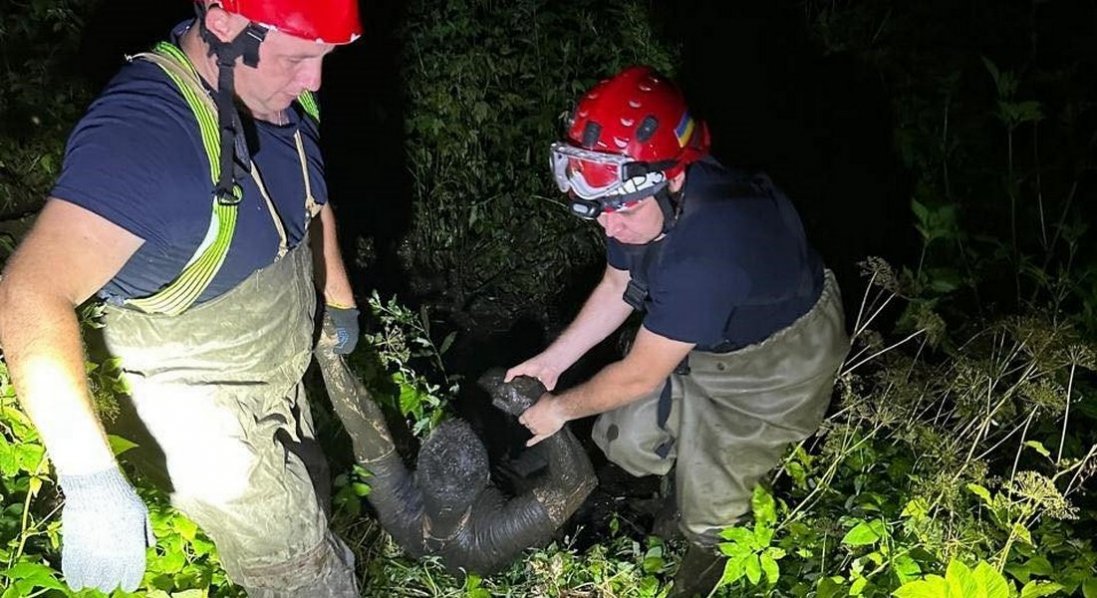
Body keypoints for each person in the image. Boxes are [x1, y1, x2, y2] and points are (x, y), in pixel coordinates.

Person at [0, 1, 365, 595]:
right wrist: (90, 478)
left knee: (313, 499)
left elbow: (310, 192)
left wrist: (339, 299)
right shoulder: (145, 138)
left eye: (325, 58)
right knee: (305, 578)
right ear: (224, 24)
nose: (314, 80)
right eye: (299, 58)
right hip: (204, 404)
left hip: (278, 369)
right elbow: (29, 291)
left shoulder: (269, 88)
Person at [506, 65, 851, 597]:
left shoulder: (706, 254)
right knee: (625, 440)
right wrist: (552, 363)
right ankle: (683, 474)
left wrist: (556, 409)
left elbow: (638, 376)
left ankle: (704, 568)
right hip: (699, 339)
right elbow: (618, 280)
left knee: (715, 516)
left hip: (775, 361)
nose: (607, 225)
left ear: (671, 179)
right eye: (600, 209)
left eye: (619, 211)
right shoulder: (638, 200)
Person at [314, 315, 596, 576]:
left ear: (420, 473)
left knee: (488, 388)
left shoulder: (398, 508)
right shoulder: (491, 535)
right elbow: (578, 483)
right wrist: (538, 402)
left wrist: (329, 358)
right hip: (523, 499)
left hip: (502, 480)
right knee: (576, 436)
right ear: (484, 478)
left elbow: (365, 428)